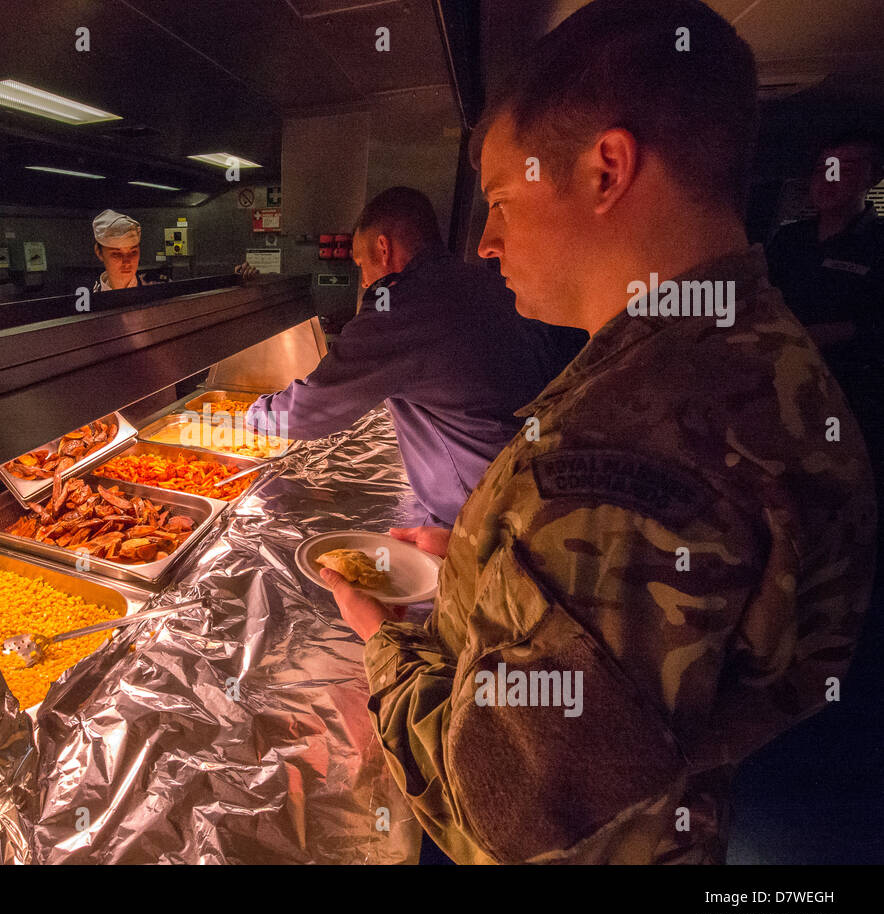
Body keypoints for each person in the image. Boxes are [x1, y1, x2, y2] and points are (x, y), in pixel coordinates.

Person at [323, 0, 876, 864]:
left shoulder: (625, 450)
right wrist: (480, 553)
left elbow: (500, 808)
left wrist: (382, 638)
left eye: (503, 197)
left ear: (606, 170)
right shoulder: (750, 346)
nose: (487, 241)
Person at [245, 186, 584, 528]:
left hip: (488, 510)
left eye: (362, 265)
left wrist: (249, 418)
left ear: (383, 247)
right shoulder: (479, 281)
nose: (363, 281)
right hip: (535, 486)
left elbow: (309, 411)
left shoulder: (403, 305)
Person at [766, 131, 884, 500]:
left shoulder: (878, 242)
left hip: (852, 393)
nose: (828, 177)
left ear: (873, 177)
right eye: (822, 167)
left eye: (845, 168)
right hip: (783, 383)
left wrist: (836, 332)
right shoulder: (788, 239)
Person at [90, 208, 258, 293]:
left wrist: (237, 282)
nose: (127, 261)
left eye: (133, 252)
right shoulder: (89, 298)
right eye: (116, 254)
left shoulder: (160, 286)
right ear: (99, 253)